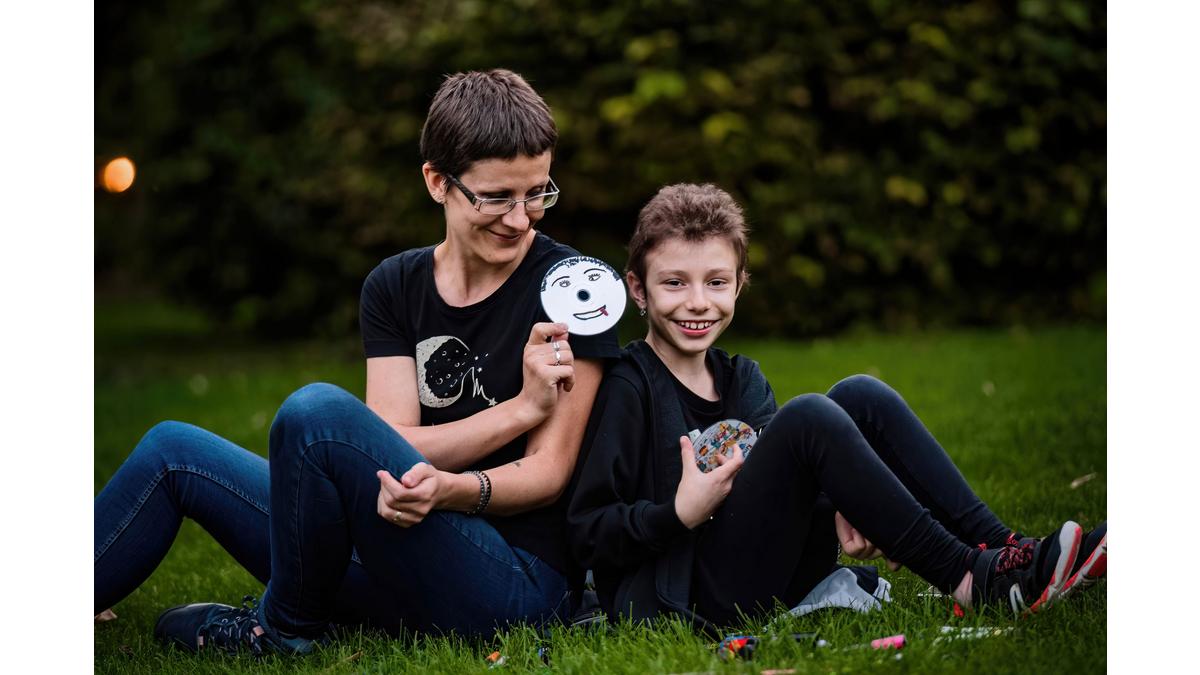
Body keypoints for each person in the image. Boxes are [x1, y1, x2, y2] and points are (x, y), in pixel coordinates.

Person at [94, 69, 620, 655]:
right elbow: (389, 446)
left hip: (515, 582)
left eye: (538, 192)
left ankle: (283, 629)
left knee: (317, 413)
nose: (521, 218)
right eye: (497, 197)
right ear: (437, 182)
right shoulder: (395, 284)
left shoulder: (574, 288)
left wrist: (450, 490)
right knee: (174, 451)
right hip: (395, 546)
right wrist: (521, 410)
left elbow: (548, 473)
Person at [566, 183, 1106, 628]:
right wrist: (677, 513)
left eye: (716, 282)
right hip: (687, 595)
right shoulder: (627, 387)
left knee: (859, 395)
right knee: (808, 416)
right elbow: (587, 532)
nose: (698, 302)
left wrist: (853, 499)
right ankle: (969, 578)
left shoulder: (742, 379)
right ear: (638, 289)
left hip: (773, 566)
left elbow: (784, 486)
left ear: (739, 285)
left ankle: (1008, 549)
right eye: (674, 283)